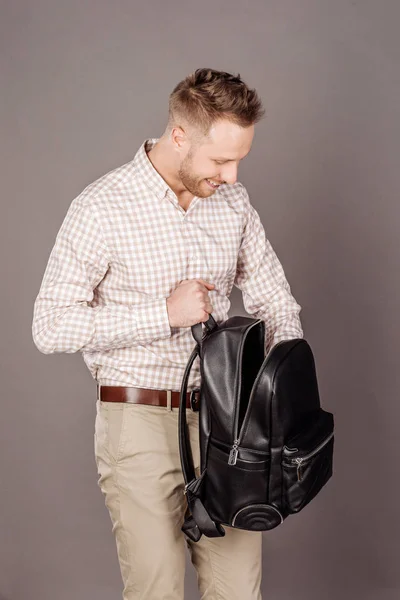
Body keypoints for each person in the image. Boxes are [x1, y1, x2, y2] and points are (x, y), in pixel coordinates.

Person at [32, 67, 303, 600]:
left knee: (237, 594)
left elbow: (277, 303)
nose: (230, 176)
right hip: (138, 424)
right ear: (179, 136)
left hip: (231, 428)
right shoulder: (102, 207)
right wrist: (164, 314)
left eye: (239, 160)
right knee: (155, 591)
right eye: (220, 160)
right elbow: (50, 325)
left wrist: (275, 395)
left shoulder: (234, 203)